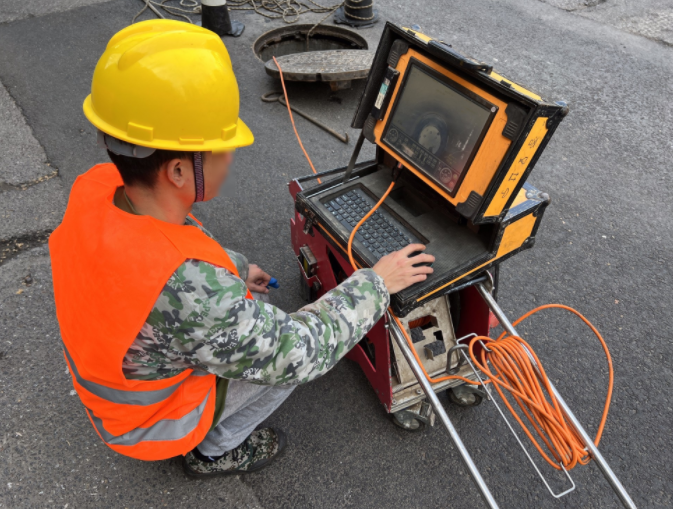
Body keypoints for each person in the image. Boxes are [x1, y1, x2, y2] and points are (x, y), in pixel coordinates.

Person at [49, 19, 434, 478]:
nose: (230, 157)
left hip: (116, 376)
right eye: (221, 147)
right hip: (145, 422)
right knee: (282, 355)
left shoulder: (96, 188)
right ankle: (213, 451)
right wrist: (377, 283)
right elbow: (298, 352)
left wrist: (229, 268)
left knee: (253, 307)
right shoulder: (197, 295)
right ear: (177, 171)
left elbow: (145, 262)